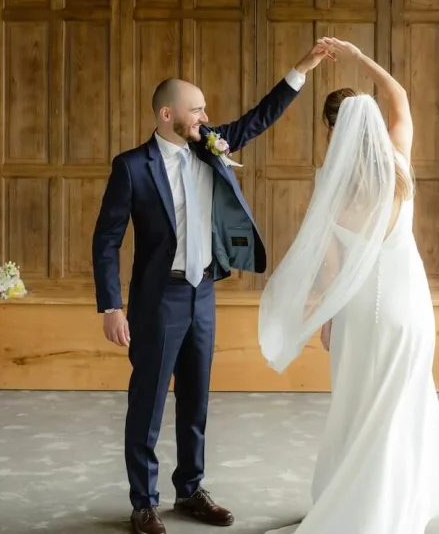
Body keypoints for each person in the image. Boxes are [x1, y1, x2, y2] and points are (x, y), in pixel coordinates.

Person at [92, 41, 334, 534]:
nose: (205, 115)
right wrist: (110, 306)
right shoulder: (131, 167)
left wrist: (302, 69)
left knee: (196, 399)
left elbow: (258, 118)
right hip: (157, 300)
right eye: (196, 109)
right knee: (149, 401)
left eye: (204, 109)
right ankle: (144, 503)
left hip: (203, 294)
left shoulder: (210, 145)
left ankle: (190, 490)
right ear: (167, 115)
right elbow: (106, 239)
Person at [258, 37, 439, 533]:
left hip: (357, 316)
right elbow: (400, 100)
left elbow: (331, 268)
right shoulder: (399, 168)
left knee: (356, 409)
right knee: (402, 406)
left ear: (333, 131)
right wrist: (356, 57)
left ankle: (349, 505)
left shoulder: (333, 184)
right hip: (409, 311)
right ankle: (396, 508)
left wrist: (325, 320)